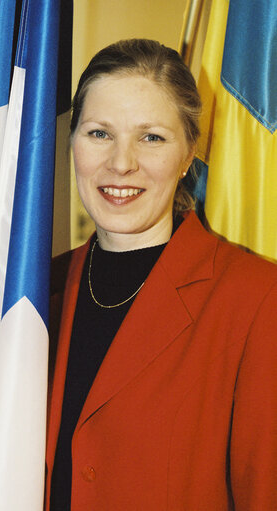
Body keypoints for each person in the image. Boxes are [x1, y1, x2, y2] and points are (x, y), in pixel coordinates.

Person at [45, 39, 277, 510]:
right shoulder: (38, 289)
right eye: (98, 133)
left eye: (151, 137)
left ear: (189, 152)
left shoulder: (255, 298)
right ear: (71, 142)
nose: (121, 163)